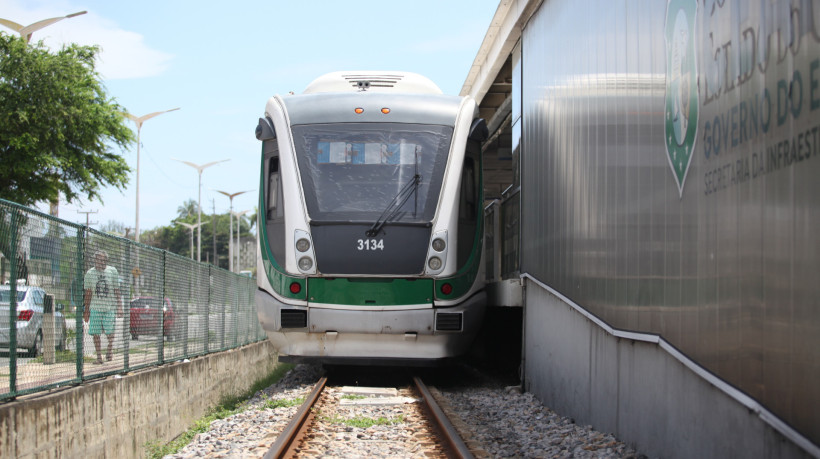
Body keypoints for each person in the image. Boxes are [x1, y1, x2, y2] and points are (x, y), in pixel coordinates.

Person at [83, 250, 122, 364]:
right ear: (95, 261)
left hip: (109, 307)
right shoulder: (90, 274)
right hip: (95, 307)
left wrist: (119, 306)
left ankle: (109, 349)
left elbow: (116, 290)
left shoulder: (112, 271)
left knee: (110, 331)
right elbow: (88, 293)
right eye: (100, 260)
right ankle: (99, 356)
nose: (102, 262)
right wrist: (86, 311)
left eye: (104, 260)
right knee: (96, 332)